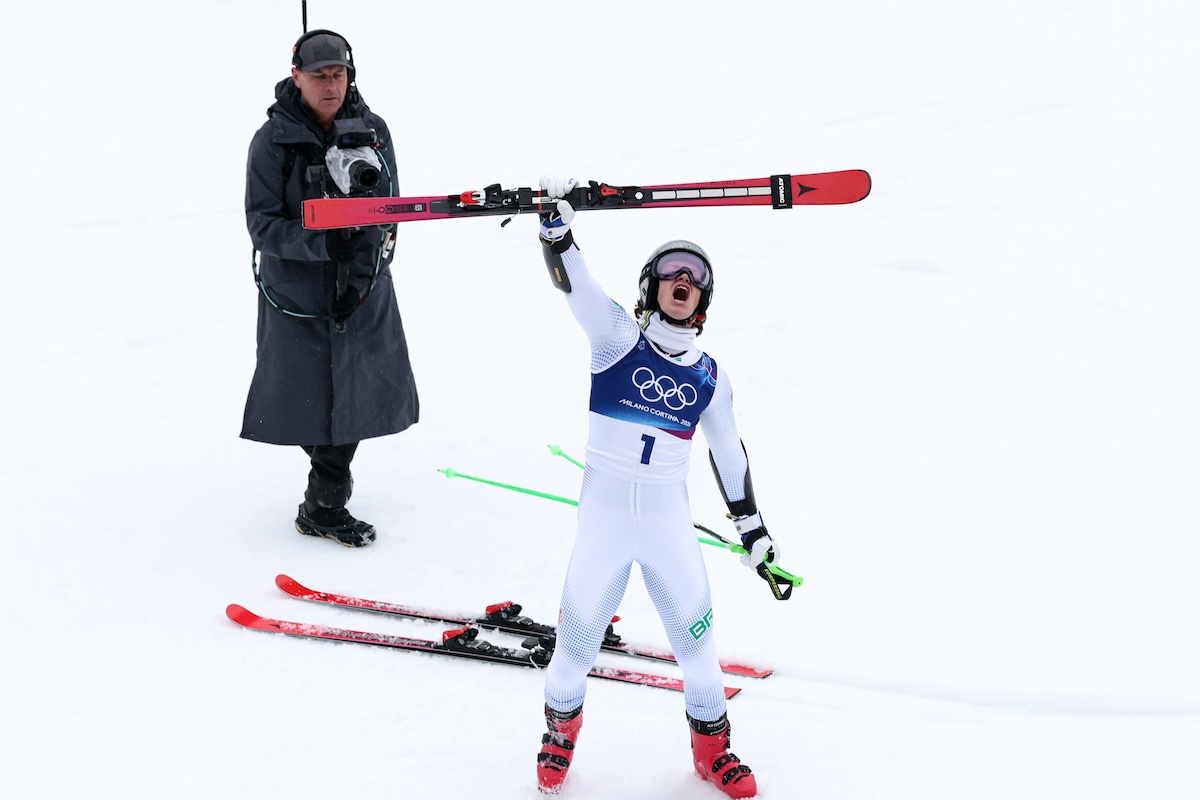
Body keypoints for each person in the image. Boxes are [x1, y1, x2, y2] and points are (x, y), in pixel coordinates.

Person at [532, 177, 780, 798]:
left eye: (696, 276)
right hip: (606, 524)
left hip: (668, 525)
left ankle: (713, 751)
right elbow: (575, 284)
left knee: (701, 652)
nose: (684, 279)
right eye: (672, 270)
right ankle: (560, 736)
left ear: (702, 301)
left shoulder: (710, 378)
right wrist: (555, 228)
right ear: (652, 285)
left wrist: (754, 533)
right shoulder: (616, 339)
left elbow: (729, 455)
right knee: (574, 648)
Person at [242, 30, 418, 547]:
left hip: (363, 289)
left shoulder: (374, 131)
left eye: (338, 74)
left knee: (359, 391)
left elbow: (389, 212)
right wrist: (324, 246)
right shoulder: (270, 142)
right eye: (319, 76)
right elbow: (262, 226)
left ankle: (324, 498)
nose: (330, 85)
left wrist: (358, 274)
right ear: (296, 78)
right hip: (294, 295)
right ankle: (325, 493)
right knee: (302, 396)